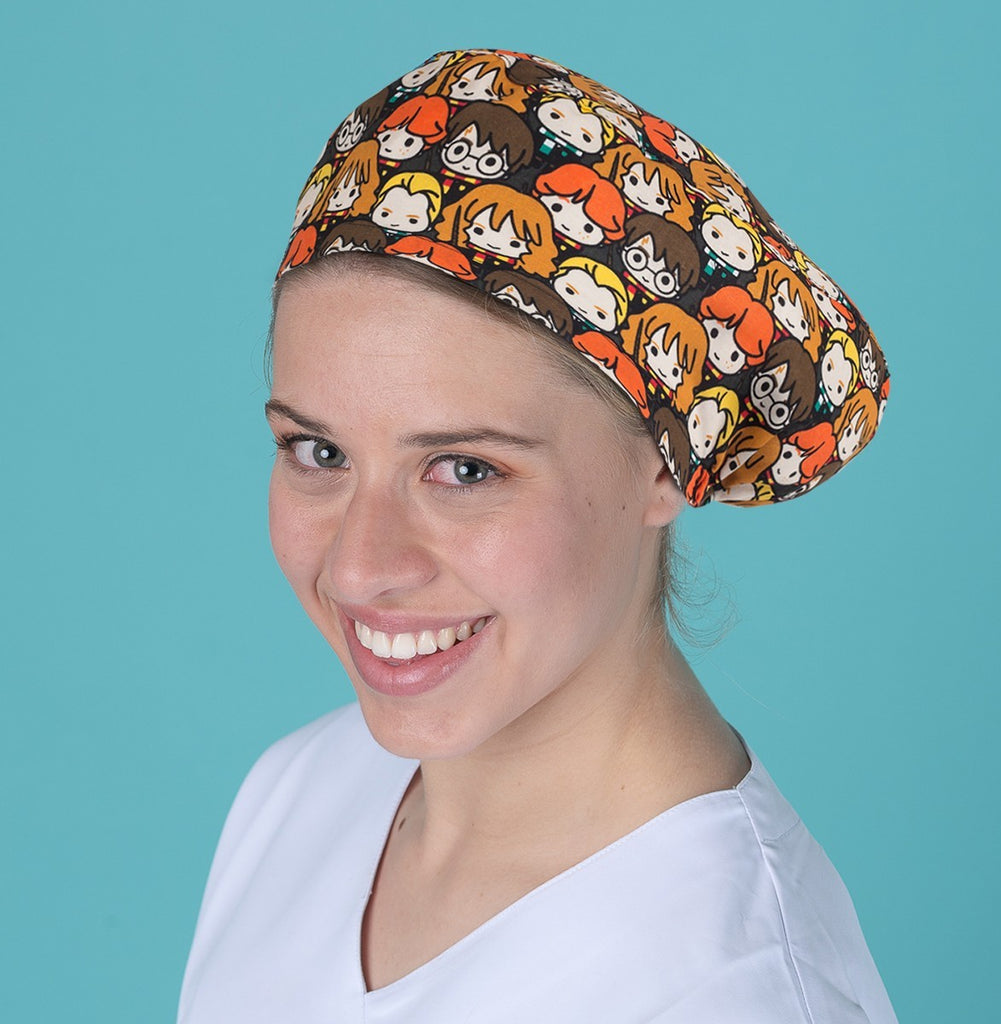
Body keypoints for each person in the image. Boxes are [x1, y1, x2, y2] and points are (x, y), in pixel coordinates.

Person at [177, 49, 897, 1022]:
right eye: (319, 451)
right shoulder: (301, 793)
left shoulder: (735, 990)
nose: (357, 566)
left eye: (465, 469)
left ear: (662, 464)